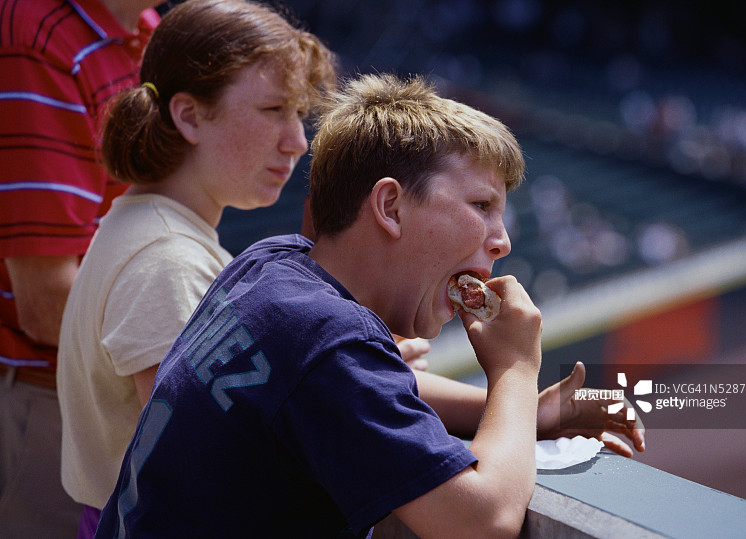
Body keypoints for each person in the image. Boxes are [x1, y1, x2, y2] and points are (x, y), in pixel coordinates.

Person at [96, 73, 643, 538]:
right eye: (481, 205)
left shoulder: (272, 265)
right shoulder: (325, 335)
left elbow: (348, 382)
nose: (501, 241)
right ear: (390, 206)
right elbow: (485, 521)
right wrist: (516, 369)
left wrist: (523, 415)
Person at [55, 0, 336, 536]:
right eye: (274, 109)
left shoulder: (154, 232)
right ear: (188, 115)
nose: (298, 141)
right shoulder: (166, 260)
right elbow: (197, 464)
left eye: (298, 114)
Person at [0, 1, 161, 536]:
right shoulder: (38, 38)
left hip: (102, 396)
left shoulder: (143, 26)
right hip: (44, 407)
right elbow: (46, 306)